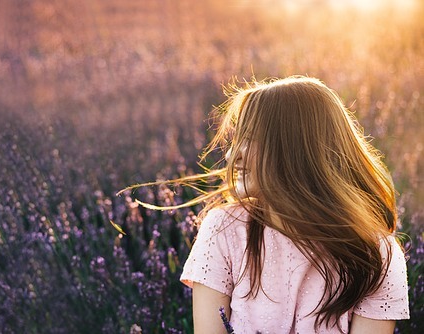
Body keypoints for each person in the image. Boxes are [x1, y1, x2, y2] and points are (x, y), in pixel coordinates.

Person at [175, 76, 409, 333]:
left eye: (250, 139)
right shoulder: (224, 229)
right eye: (235, 140)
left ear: (296, 149)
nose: (232, 156)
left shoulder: (376, 256)